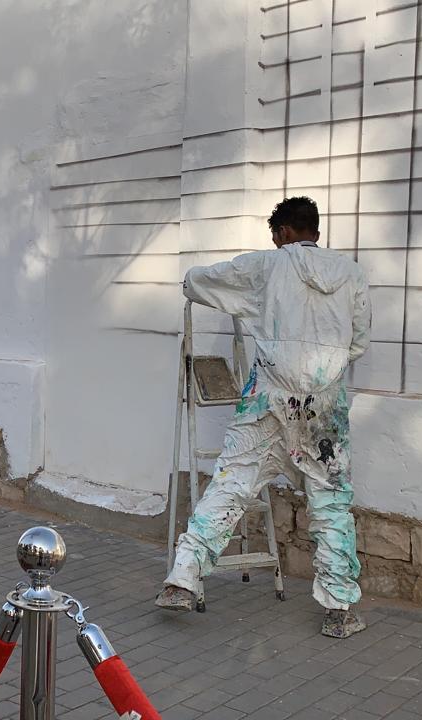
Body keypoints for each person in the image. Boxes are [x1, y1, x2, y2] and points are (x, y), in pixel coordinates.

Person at [154, 196, 372, 639]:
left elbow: (200, 281)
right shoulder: (351, 273)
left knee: (232, 483)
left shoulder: (268, 266)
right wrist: (320, 373)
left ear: (284, 232)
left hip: (267, 398)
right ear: (315, 231)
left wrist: (193, 283)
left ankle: (182, 580)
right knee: (330, 503)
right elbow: (359, 342)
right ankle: (339, 611)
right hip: (324, 407)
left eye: (276, 236)